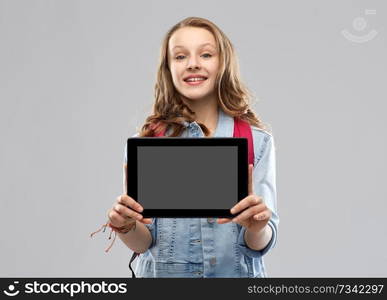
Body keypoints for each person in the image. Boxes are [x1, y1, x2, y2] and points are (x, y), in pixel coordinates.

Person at [94, 16, 279, 278]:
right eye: (180, 57)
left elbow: (260, 243)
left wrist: (257, 228)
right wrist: (125, 226)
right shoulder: (145, 143)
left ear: (222, 64)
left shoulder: (256, 142)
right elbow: (145, 242)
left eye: (205, 54)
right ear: (168, 69)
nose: (193, 64)